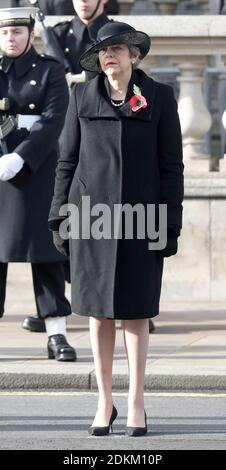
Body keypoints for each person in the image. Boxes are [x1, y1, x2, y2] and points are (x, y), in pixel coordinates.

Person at [48, 21, 184, 434]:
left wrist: (171, 222)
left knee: (136, 312)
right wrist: (59, 214)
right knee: (98, 313)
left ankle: (137, 401)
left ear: (134, 57)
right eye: (104, 50)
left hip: (143, 221)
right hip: (90, 220)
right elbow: (66, 162)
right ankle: (104, 403)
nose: (110, 55)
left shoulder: (159, 97)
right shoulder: (80, 96)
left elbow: (171, 167)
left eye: (118, 49)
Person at [0, 6, 76, 361]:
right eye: (4, 33)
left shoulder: (50, 70)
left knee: (45, 254)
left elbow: (53, 119)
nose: (10, 39)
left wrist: (22, 156)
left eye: (16, 32)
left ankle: (56, 333)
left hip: (37, 168)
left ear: (30, 33)